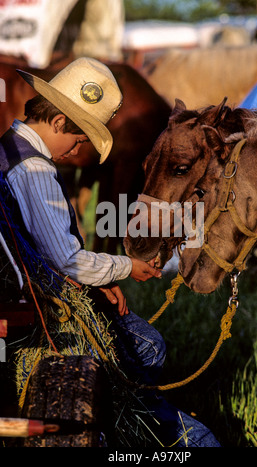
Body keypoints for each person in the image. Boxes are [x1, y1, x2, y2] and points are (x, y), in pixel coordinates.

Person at [0, 57, 220, 447]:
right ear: (58, 123)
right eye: (79, 140)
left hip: (42, 288)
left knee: (147, 345)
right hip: (44, 313)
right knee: (149, 347)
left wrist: (86, 284)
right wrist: (125, 267)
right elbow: (67, 258)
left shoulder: (9, 152)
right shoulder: (34, 171)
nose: (76, 151)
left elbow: (39, 249)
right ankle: (138, 424)